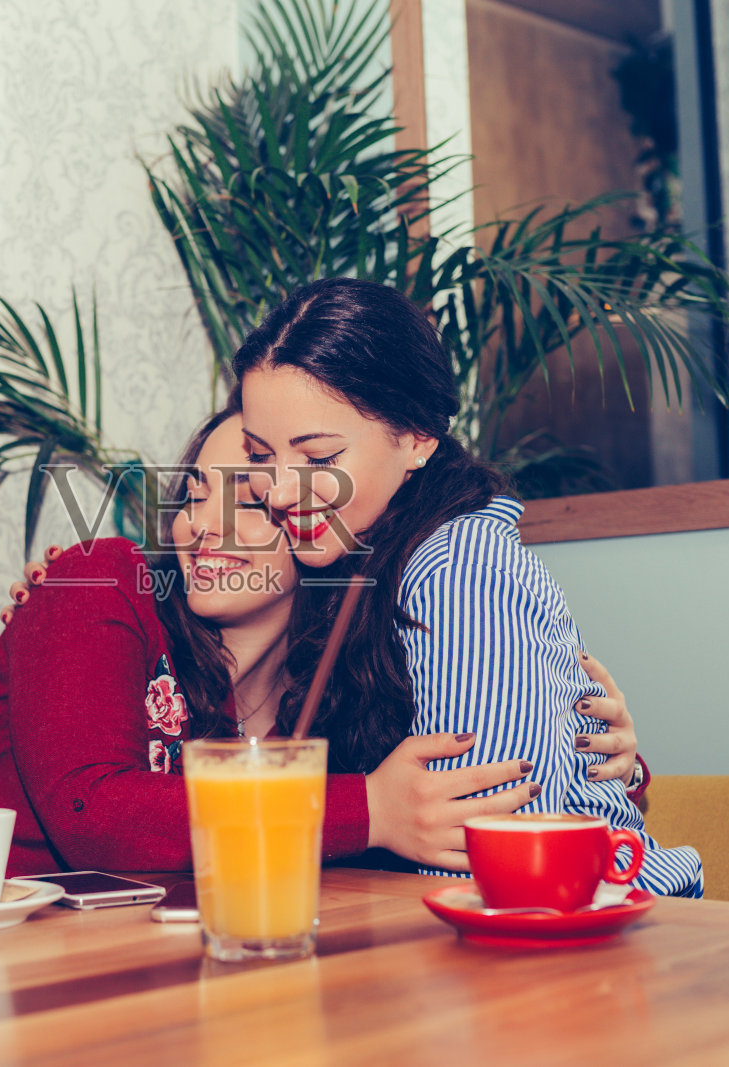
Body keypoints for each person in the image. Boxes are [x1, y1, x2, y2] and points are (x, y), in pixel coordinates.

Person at [0, 410, 540, 875]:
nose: (201, 524)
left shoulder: (320, 716)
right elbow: (91, 812)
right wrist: (365, 809)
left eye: (247, 502)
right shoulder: (102, 581)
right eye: (196, 494)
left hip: (83, 971)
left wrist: (585, 719)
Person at [229, 277, 701, 895]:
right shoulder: (343, 559)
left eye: (319, 458)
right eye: (260, 457)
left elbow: (488, 853)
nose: (279, 490)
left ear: (417, 438)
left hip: (581, 929)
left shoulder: (460, 572)